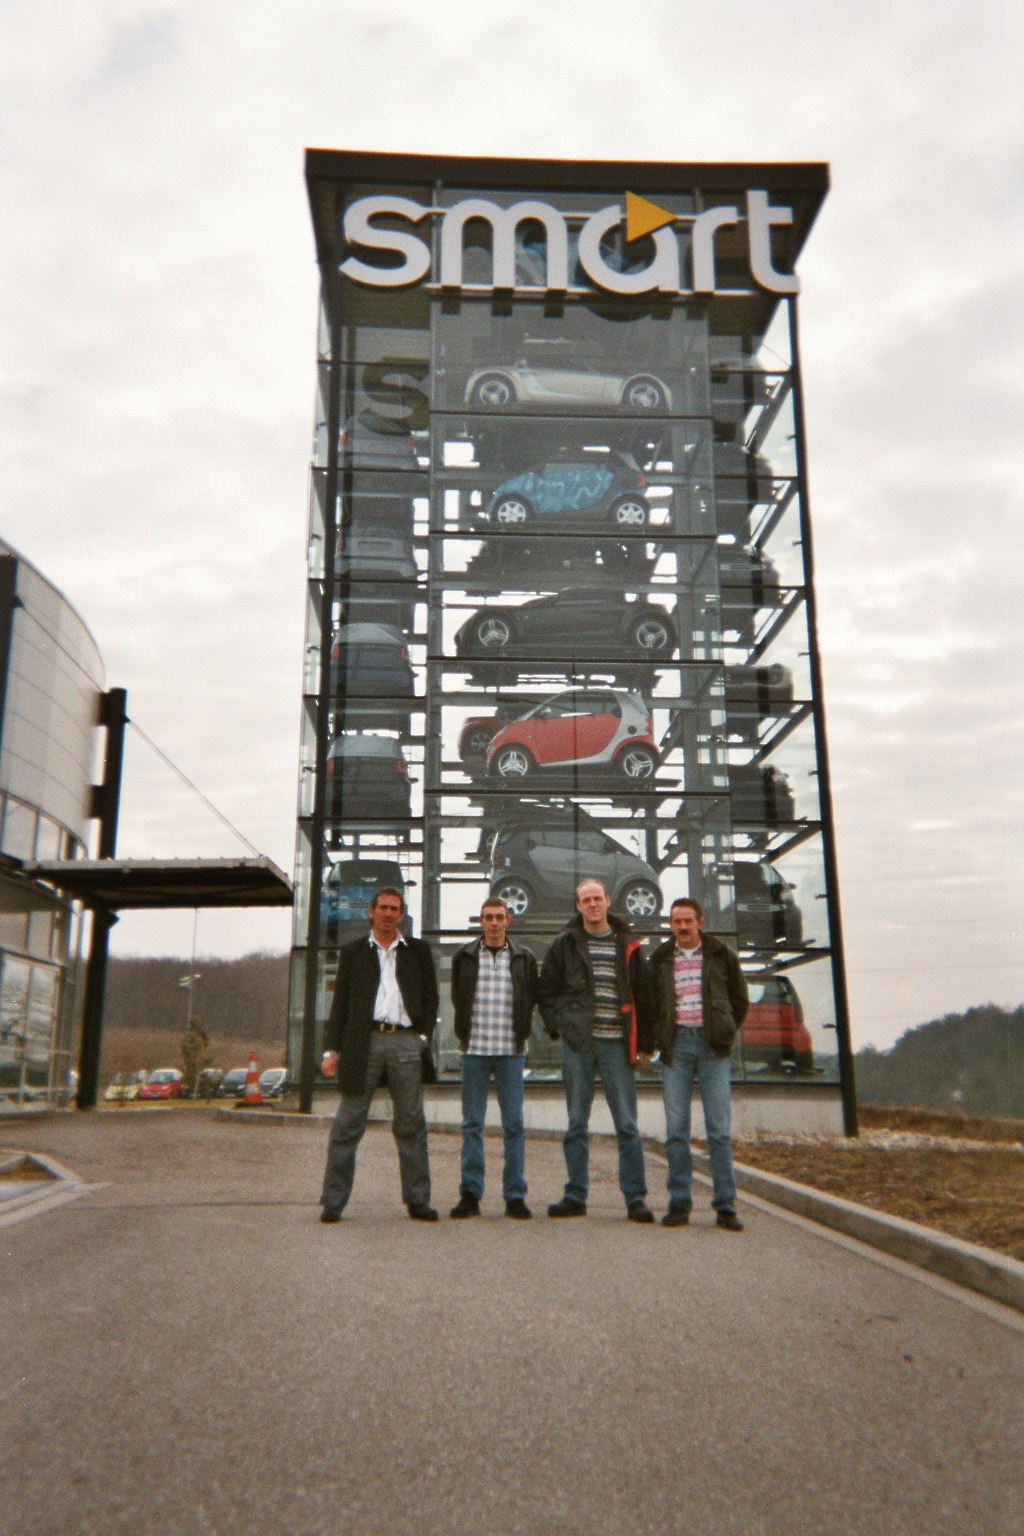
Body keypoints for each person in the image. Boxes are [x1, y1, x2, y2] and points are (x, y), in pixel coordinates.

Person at [538, 877, 656, 1222]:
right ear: (578, 906)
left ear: (607, 901)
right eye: (585, 900)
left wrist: (646, 1043)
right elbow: (547, 992)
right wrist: (558, 1026)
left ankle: (636, 1199)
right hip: (579, 1044)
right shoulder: (565, 943)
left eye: (596, 898)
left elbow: (644, 995)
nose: (591, 905)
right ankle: (575, 1195)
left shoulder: (629, 944)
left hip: (618, 1045)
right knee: (577, 1123)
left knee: (627, 1125)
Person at [319, 886, 439, 1222]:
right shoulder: (354, 952)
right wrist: (332, 1050)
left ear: (401, 915)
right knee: (347, 1123)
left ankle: (418, 1200)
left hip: (405, 1043)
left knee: (411, 1123)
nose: (388, 913)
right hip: (364, 1043)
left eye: (395, 909)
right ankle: (333, 1201)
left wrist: (422, 1037)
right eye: (383, 908)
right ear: (371, 912)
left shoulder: (417, 951)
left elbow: (431, 998)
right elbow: (339, 1005)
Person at [646, 897, 749, 1231]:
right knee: (676, 1131)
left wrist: (725, 1030)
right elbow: (652, 1003)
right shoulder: (660, 958)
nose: (682, 927)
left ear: (700, 922)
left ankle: (725, 1206)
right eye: (676, 921)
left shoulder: (721, 955)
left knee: (718, 1132)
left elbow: (739, 1000)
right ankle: (679, 1203)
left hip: (713, 1050)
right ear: (670, 924)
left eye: (688, 921)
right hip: (677, 1048)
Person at [449, 897, 539, 1219]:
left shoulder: (524, 957)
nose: (494, 923)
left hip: (511, 1053)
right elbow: (458, 998)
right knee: (472, 1124)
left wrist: (523, 1032)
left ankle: (515, 1195)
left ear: (508, 920)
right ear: (481, 921)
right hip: (474, 1051)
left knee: (513, 1125)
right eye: (488, 917)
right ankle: (470, 1195)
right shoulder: (465, 956)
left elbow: (529, 999)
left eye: (500, 917)